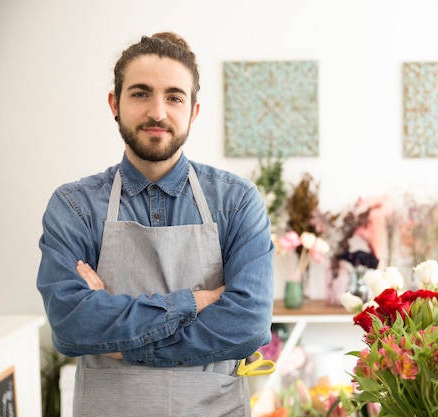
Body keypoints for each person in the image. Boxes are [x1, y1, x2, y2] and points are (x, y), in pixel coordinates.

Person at [36, 32, 275, 417]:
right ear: (115, 103)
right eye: (140, 93)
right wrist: (195, 302)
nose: (158, 112)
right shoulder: (74, 205)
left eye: (174, 97)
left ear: (194, 110)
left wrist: (117, 334)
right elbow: (70, 326)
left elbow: (247, 326)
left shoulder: (237, 201)